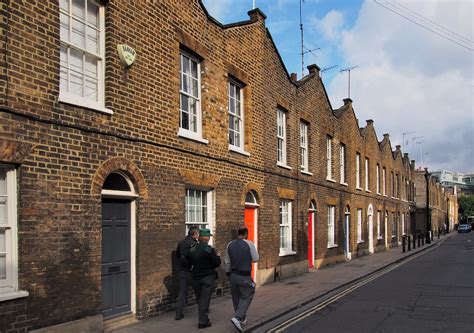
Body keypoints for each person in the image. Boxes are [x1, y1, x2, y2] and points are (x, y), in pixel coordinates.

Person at [224, 226, 259, 332]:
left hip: (233, 275)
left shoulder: (230, 244)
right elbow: (256, 259)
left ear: (238, 233)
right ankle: (238, 317)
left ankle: (241, 318)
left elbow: (227, 262)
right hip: (244, 275)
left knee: (236, 297)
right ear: (246, 234)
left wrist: (228, 273)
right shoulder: (249, 244)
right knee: (248, 294)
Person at [187, 228, 221, 329]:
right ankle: (203, 322)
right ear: (206, 238)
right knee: (204, 300)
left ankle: (203, 317)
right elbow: (216, 263)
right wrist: (218, 256)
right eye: (209, 237)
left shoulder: (192, 248)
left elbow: (188, 262)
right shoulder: (209, 249)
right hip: (207, 277)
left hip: (195, 277)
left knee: (200, 299)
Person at [174, 227, 199, 320]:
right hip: (192, 272)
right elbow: (196, 258)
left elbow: (177, 256)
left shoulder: (181, 243)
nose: (198, 236)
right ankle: (204, 310)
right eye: (198, 234)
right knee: (198, 292)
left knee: (181, 294)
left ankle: (178, 314)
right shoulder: (194, 244)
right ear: (194, 234)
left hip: (182, 271)